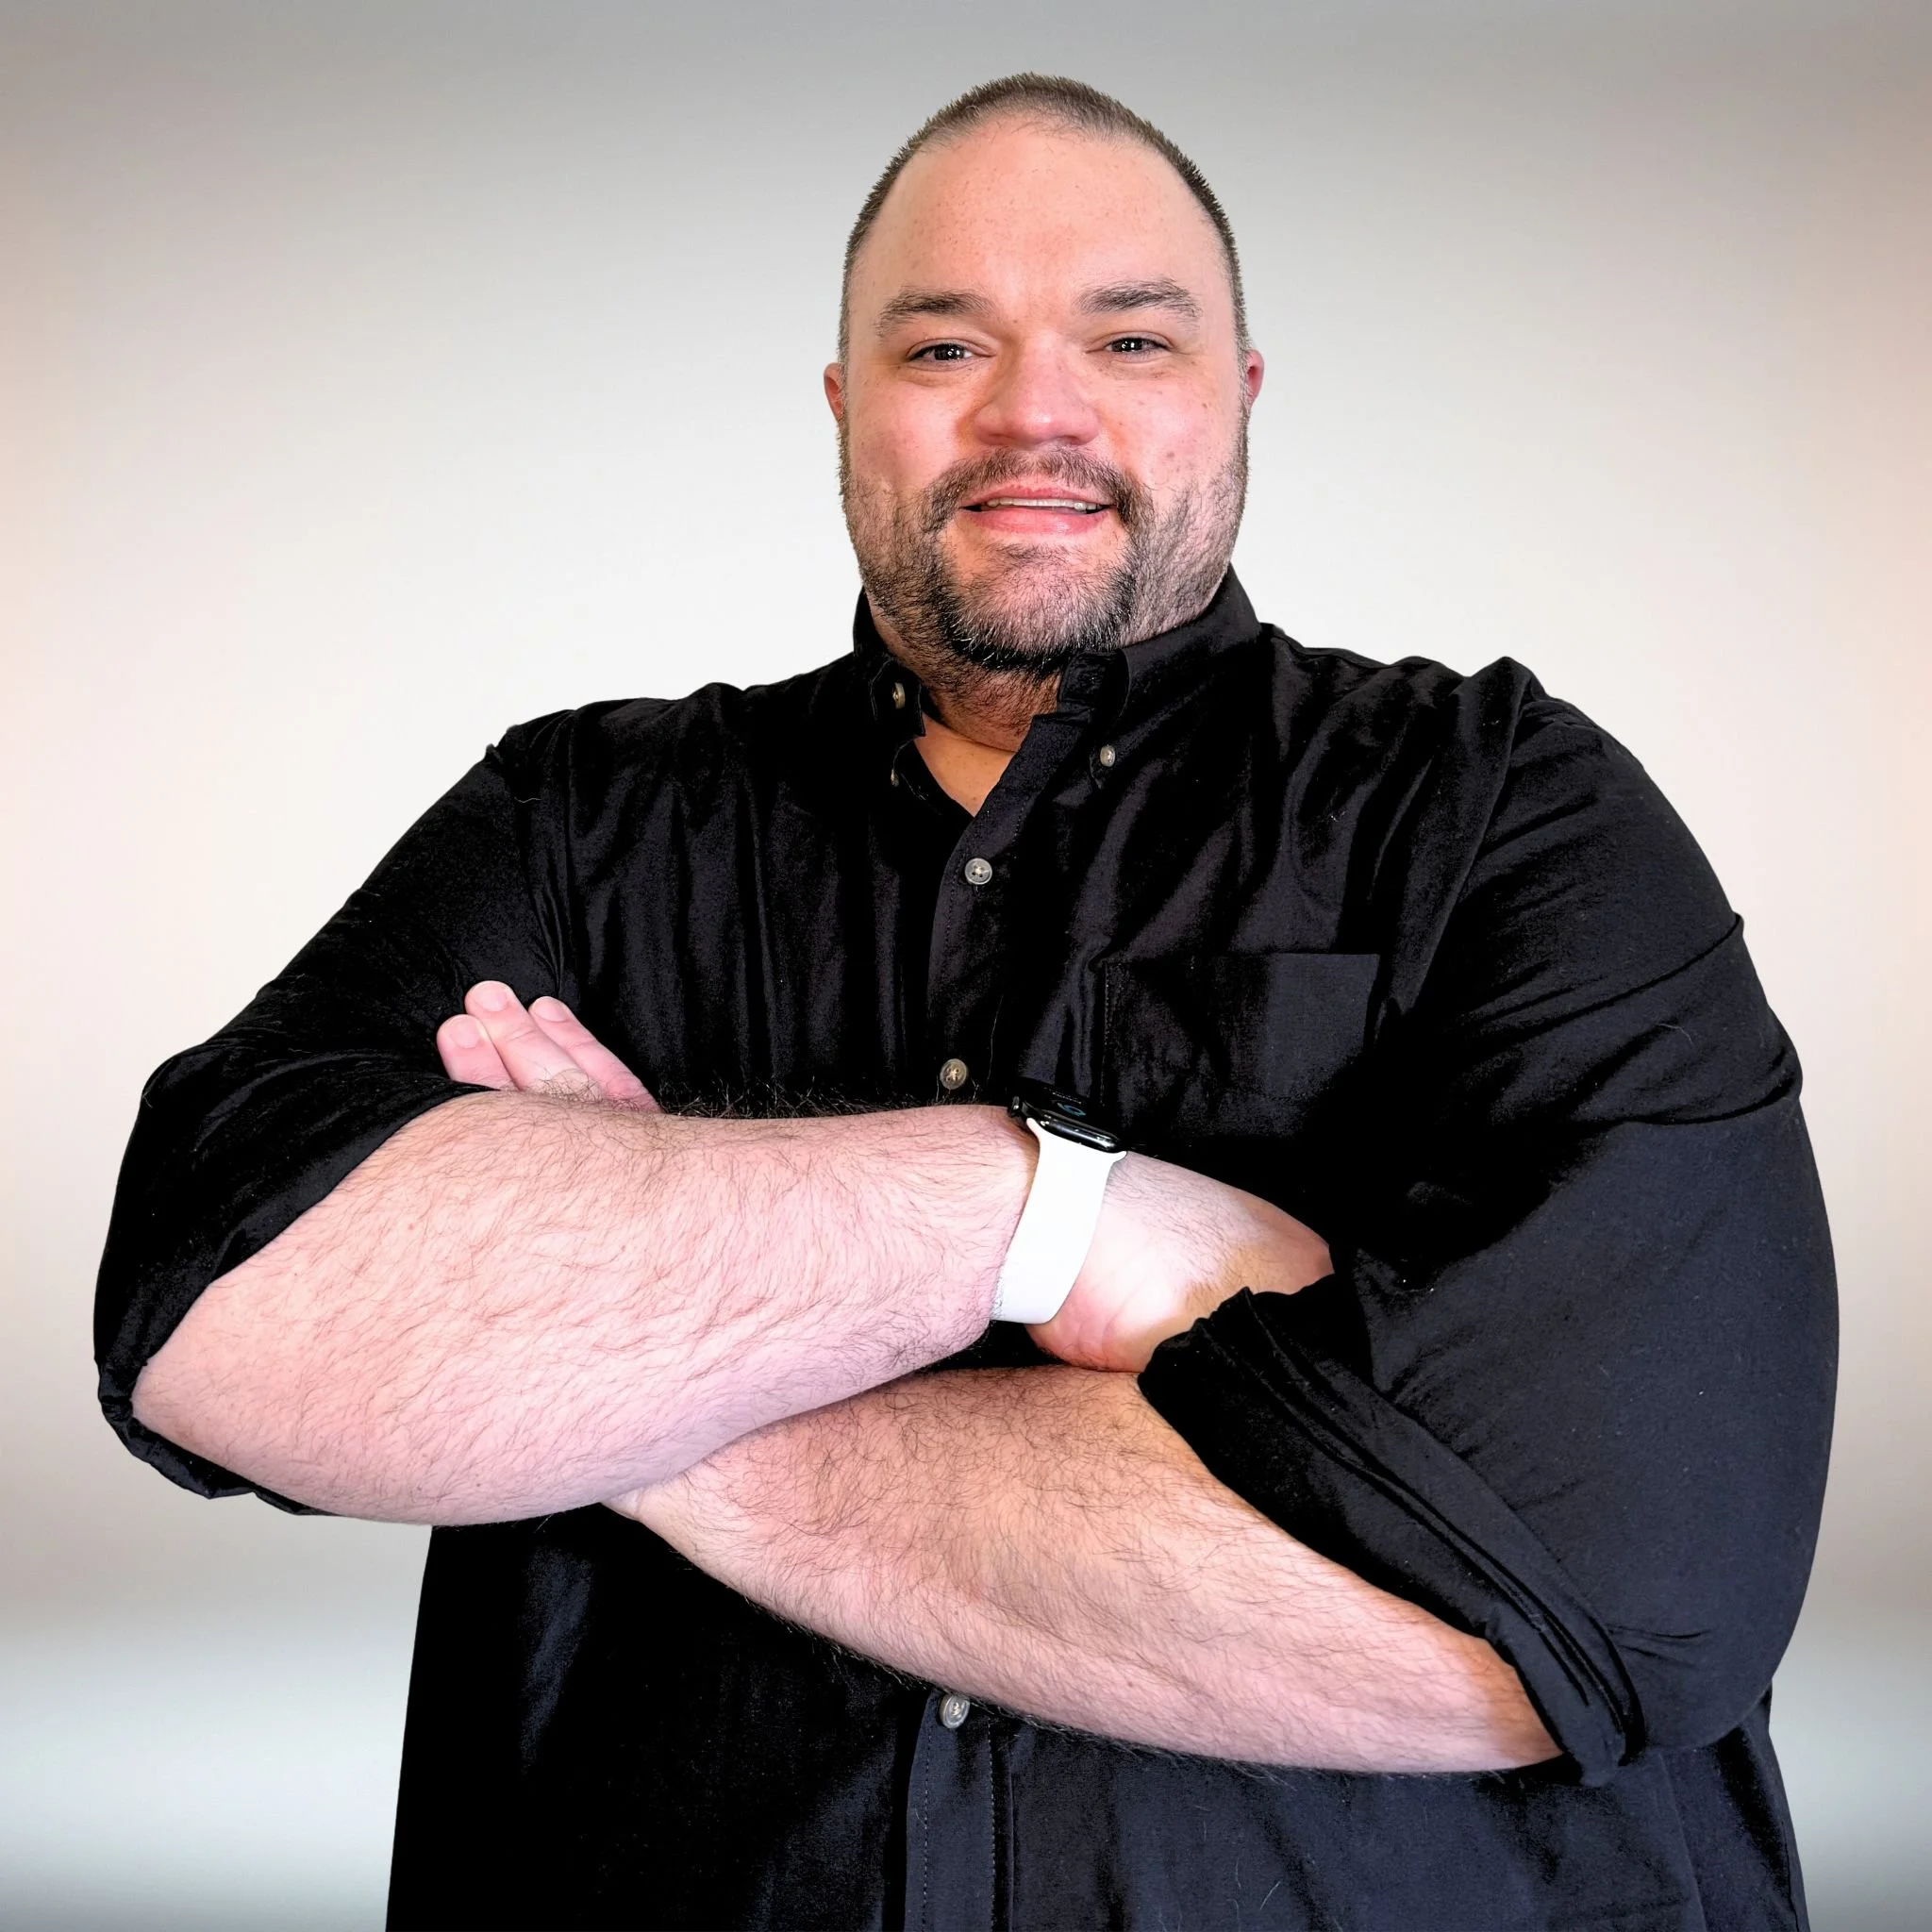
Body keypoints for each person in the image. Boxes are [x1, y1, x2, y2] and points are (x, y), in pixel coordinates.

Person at [95, 73, 1836, 1932]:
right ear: (845, 406)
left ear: (1236, 395)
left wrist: (599, 1369)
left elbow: (1602, 1593)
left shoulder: (1499, 805)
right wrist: (1050, 1217)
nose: (1036, 410)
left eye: (1128, 334)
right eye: (944, 342)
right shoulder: (576, 826)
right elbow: (211, 1319)